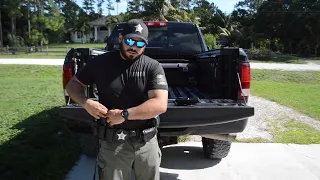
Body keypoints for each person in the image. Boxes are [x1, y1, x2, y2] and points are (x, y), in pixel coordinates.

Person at [65, 19, 168, 180]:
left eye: (140, 44)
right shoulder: (100, 63)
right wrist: (86, 102)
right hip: (113, 142)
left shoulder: (152, 66)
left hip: (146, 142)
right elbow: (73, 85)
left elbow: (160, 104)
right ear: (120, 38)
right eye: (129, 40)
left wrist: (124, 115)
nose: (133, 47)